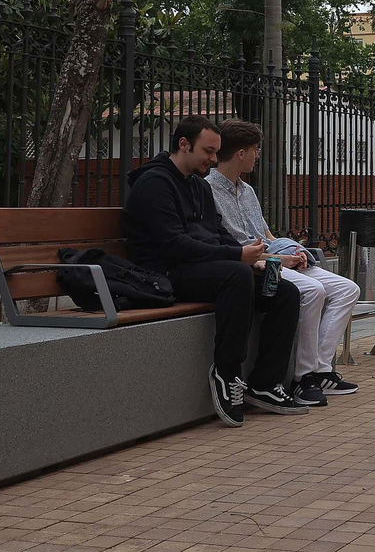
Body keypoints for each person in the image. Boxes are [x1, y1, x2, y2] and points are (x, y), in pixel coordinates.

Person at [123, 115, 305, 427]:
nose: (213, 158)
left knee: (283, 291)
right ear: (183, 144)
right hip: (164, 274)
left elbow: (216, 233)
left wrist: (253, 258)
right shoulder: (154, 184)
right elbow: (174, 245)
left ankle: (264, 383)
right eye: (208, 151)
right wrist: (238, 256)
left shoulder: (197, 186)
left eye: (216, 152)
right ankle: (226, 371)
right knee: (238, 275)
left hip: (201, 268)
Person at [209, 119, 362, 407]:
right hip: (255, 265)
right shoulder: (209, 191)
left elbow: (266, 234)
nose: (258, 156)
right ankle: (304, 379)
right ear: (241, 153)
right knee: (313, 290)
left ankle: (321, 369)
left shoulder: (247, 191)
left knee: (347, 289)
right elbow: (232, 247)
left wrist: (292, 250)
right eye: (255, 149)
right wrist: (279, 258)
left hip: (278, 257)